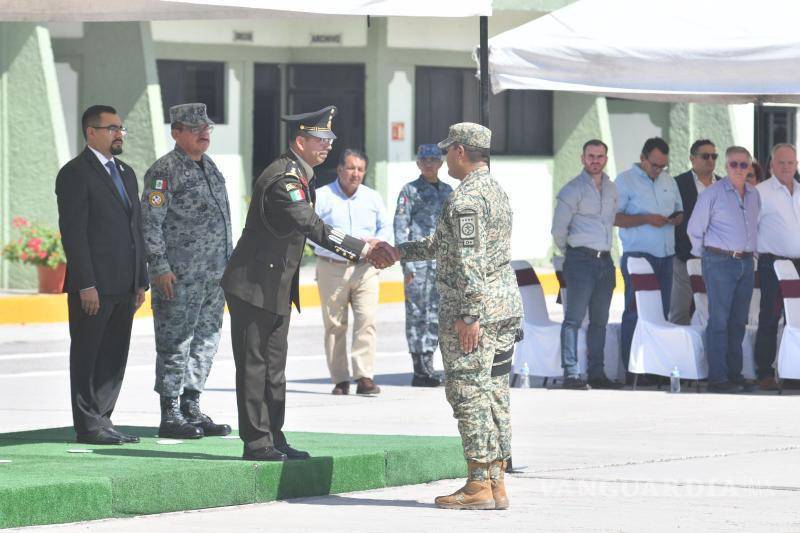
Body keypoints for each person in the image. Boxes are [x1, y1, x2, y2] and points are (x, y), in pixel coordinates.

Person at [221, 106, 390, 462]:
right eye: (320, 140)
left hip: (274, 286)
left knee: (274, 368)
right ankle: (256, 442)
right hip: (253, 285)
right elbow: (313, 226)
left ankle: (274, 436)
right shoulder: (284, 179)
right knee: (254, 367)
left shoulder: (300, 174)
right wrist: (363, 249)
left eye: (330, 140)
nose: (328, 146)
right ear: (300, 142)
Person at [376, 123, 522, 510]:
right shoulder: (494, 190)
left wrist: (469, 314)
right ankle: (496, 482)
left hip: (477, 313)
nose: (443, 160)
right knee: (494, 393)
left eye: (447, 152)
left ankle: (478, 485)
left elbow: (469, 260)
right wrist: (399, 252)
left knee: (468, 393)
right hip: (503, 308)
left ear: (459, 151)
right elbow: (443, 244)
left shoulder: (466, 200)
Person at [55, 105, 147, 445]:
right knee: (88, 355)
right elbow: (74, 234)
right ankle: (88, 425)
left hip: (125, 283)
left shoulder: (126, 172)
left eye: (121, 128)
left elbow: (135, 229)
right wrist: (86, 284)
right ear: (91, 132)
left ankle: (104, 420)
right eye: (112, 129)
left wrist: (140, 281)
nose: (119, 134)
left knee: (114, 356)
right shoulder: (75, 173)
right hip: (94, 285)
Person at [140, 103, 233, 439]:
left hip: (214, 277)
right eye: (195, 129)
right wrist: (159, 267)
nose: (203, 133)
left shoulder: (210, 166)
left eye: (206, 128)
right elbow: (150, 223)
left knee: (206, 340)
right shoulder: (164, 171)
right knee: (175, 342)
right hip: (179, 278)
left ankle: (191, 406)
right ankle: (170, 412)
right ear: (176, 132)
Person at [313, 148, 392, 396]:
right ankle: (340, 380)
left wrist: (377, 242)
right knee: (334, 325)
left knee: (366, 321)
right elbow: (310, 233)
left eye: (360, 169)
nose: (355, 174)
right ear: (339, 169)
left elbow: (386, 227)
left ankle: (364, 376)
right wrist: (339, 245)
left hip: (365, 268)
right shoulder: (322, 196)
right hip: (331, 267)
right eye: (350, 168)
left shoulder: (372, 198)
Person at [687, 146, 759, 394]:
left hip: (746, 262)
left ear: (749, 167)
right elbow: (694, 229)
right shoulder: (712, 193)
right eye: (733, 164)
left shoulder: (754, 194)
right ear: (726, 166)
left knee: (738, 321)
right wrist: (708, 256)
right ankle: (718, 378)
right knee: (719, 320)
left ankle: (734, 375)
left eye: (743, 164)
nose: (738, 168)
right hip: (719, 261)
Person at [551, 139, 621, 390]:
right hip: (580, 260)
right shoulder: (572, 189)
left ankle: (597, 374)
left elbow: (610, 221)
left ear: (606, 159)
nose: (595, 160)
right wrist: (571, 253)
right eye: (591, 156)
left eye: (600, 156)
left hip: (605, 261)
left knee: (600, 321)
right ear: (583, 158)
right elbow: (558, 229)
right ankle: (571, 373)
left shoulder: (612, 189)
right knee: (574, 319)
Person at [615, 137, 683, 380]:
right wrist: (646, 218)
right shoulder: (624, 181)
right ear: (642, 158)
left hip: (666, 254)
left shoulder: (668, 181)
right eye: (654, 165)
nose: (658, 170)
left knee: (659, 314)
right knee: (636, 313)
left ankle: (655, 369)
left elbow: (679, 209)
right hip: (639, 257)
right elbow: (615, 218)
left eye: (663, 166)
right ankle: (632, 369)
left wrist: (676, 218)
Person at [394, 144, 453, 387]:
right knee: (416, 313)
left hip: (441, 264)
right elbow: (401, 227)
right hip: (417, 264)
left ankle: (429, 363)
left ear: (441, 163)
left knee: (437, 313)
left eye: (434, 160)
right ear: (418, 163)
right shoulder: (409, 190)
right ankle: (419, 368)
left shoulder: (448, 191)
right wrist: (406, 265)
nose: (429, 164)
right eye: (424, 160)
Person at [755, 143, 800, 390]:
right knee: (770, 318)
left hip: (799, 265)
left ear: (797, 165)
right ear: (771, 165)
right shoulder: (761, 192)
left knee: (797, 320)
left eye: (790, 163)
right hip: (772, 263)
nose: (786, 167)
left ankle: (793, 371)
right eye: (781, 162)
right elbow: (750, 228)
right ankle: (764, 372)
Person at [671, 140, 720, 325]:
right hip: (685, 256)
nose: (710, 160)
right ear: (692, 159)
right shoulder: (678, 183)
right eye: (705, 156)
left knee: (715, 311)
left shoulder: (723, 184)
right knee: (680, 312)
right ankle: (679, 345)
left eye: (714, 156)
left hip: (717, 260)